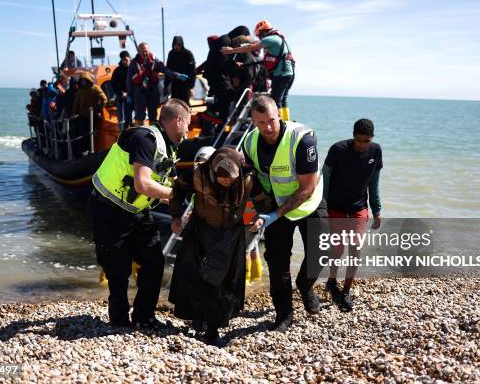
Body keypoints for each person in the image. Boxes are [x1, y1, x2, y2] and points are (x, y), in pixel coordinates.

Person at [91, 99, 192, 328]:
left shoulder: (169, 146)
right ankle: (118, 319)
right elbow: (143, 184)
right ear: (178, 120)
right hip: (108, 208)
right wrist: (175, 194)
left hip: (137, 210)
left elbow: (173, 182)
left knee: (154, 261)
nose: (188, 128)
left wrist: (176, 216)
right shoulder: (144, 139)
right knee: (118, 270)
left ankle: (144, 316)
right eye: (188, 123)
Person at [242, 95, 328, 332]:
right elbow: (249, 177)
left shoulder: (302, 140)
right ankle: (284, 314)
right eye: (261, 123)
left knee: (322, 252)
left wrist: (275, 214)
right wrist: (259, 204)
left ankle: (305, 284)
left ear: (278, 114)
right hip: (274, 206)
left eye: (271, 120)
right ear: (253, 122)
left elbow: (307, 188)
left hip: (308, 202)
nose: (267, 127)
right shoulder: (249, 143)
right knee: (277, 262)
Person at [169, 147, 253, 345]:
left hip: (230, 235)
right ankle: (198, 319)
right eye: (221, 177)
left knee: (222, 281)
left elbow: (263, 198)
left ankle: (213, 328)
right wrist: (175, 215)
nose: (225, 181)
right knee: (196, 277)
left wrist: (263, 217)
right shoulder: (199, 174)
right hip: (200, 231)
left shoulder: (248, 181)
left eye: (230, 178)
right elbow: (178, 190)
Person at [323, 118, 382, 311]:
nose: (362, 145)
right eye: (359, 140)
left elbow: (374, 183)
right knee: (337, 250)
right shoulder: (337, 149)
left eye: (366, 141)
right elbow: (325, 178)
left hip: (358, 208)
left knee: (355, 249)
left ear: (371, 138)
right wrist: (322, 207)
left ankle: (346, 290)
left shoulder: (376, 151)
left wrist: (377, 209)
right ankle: (332, 281)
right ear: (353, 135)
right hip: (336, 207)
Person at [221, 20, 294, 120]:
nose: (259, 38)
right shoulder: (279, 39)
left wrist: (232, 50)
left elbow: (251, 47)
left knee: (276, 100)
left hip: (281, 74)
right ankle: (286, 121)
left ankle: (280, 123)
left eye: (260, 35)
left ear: (264, 32)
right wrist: (246, 64)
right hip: (288, 74)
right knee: (283, 99)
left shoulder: (271, 39)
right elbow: (266, 61)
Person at [127, 42, 188, 126]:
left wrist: (177, 75)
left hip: (153, 90)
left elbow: (165, 70)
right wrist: (129, 95)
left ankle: (153, 135)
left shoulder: (155, 61)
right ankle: (139, 134)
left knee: (153, 114)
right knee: (139, 115)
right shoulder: (134, 63)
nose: (144, 53)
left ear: (149, 50)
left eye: (146, 51)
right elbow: (129, 80)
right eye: (142, 51)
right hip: (139, 91)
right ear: (138, 51)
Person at [71, 71, 108, 156]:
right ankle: (84, 150)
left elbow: (104, 99)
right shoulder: (80, 91)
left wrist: (98, 109)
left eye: (84, 80)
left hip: (93, 115)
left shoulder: (95, 88)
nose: (83, 82)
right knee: (83, 134)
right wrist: (74, 113)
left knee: (91, 133)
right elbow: (76, 103)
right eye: (81, 80)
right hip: (82, 116)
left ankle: (92, 149)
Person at [166, 35, 196, 104]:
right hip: (175, 85)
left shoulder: (188, 54)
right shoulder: (171, 54)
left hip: (185, 85)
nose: (177, 46)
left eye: (179, 45)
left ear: (182, 44)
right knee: (174, 105)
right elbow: (168, 69)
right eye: (175, 45)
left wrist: (191, 86)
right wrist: (166, 84)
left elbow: (193, 71)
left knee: (185, 105)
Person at [111, 50, 133, 131]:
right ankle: (123, 137)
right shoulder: (117, 71)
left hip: (134, 98)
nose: (125, 62)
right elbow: (114, 85)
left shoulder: (134, 68)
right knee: (122, 120)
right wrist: (121, 93)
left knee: (134, 119)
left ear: (129, 58)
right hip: (122, 99)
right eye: (123, 60)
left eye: (126, 59)